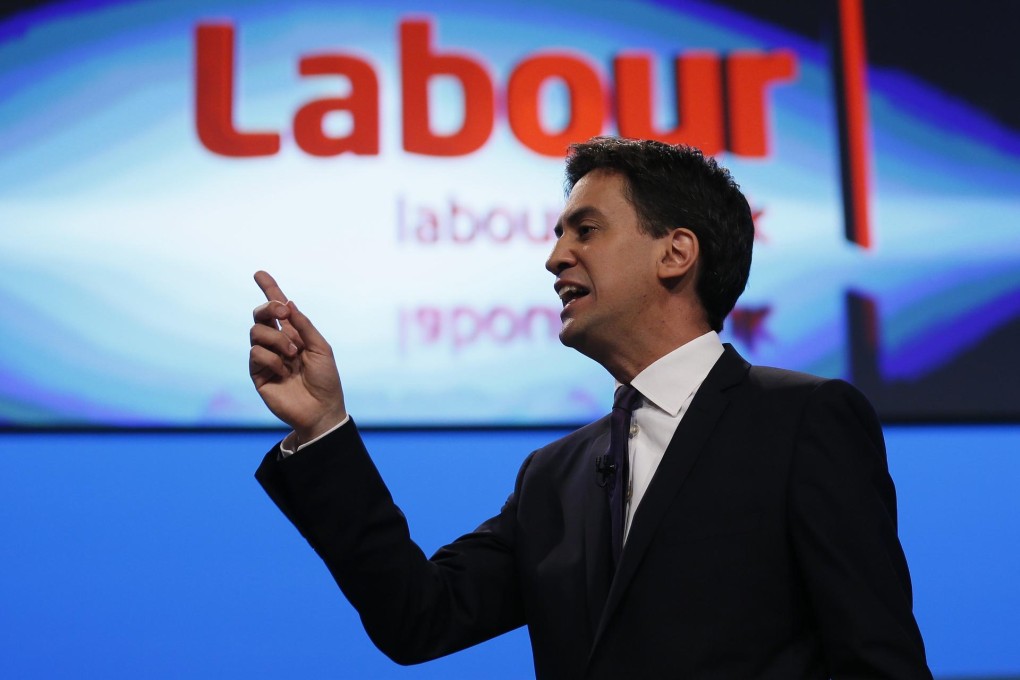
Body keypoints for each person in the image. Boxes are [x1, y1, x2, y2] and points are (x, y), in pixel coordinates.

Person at [249, 137, 932, 678]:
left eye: (585, 230)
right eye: (559, 234)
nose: (554, 258)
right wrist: (323, 428)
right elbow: (418, 617)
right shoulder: (554, 476)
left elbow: (877, 660)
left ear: (676, 252)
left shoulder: (801, 422)